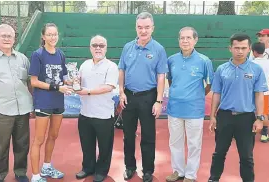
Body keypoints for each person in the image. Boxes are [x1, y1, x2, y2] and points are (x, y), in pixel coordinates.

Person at [208, 33, 268, 182]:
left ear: (249, 49)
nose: (239, 51)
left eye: (243, 48)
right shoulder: (222, 69)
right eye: (236, 48)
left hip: (246, 118)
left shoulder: (256, 70)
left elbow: (259, 95)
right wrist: (212, 116)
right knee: (219, 152)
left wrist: (260, 118)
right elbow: (216, 94)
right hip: (225, 116)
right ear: (230, 48)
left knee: (246, 156)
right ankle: (213, 179)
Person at [0, 24, 33, 182]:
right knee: (1, 146)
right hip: (1, 111)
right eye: (3, 35)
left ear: (14, 38)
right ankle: (0, 175)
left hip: (22, 109)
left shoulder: (23, 58)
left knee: (22, 144)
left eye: (10, 35)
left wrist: (32, 105)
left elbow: (29, 83)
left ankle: (20, 172)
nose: (7, 38)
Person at [118, 12, 168, 182]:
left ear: (153, 28)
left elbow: (161, 76)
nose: (143, 30)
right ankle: (129, 167)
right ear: (136, 28)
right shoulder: (127, 47)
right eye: (140, 27)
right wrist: (121, 92)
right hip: (129, 97)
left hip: (149, 97)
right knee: (128, 135)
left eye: (147, 27)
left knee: (148, 136)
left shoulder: (159, 49)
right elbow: (121, 70)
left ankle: (147, 170)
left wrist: (159, 100)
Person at [165, 27, 213, 182]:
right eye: (182, 38)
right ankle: (178, 171)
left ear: (195, 40)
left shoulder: (204, 61)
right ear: (178, 40)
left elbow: (209, 85)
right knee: (175, 142)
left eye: (188, 38)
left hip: (194, 110)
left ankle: (191, 175)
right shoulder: (171, 60)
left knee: (194, 144)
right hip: (174, 109)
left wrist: (196, 96)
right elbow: (171, 80)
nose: (185, 41)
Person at [29, 23, 73, 182]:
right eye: (49, 34)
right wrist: (57, 87)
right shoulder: (37, 54)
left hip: (58, 101)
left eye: (55, 34)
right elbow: (33, 81)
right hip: (43, 101)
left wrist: (71, 81)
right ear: (43, 36)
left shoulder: (60, 54)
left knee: (53, 136)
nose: (53, 37)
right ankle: (35, 176)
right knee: (39, 139)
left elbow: (65, 77)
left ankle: (47, 167)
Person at [74, 35, 119, 182]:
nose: (98, 48)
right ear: (90, 47)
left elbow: (108, 87)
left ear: (106, 48)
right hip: (85, 113)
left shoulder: (111, 66)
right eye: (95, 45)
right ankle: (88, 168)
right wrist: (72, 82)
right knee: (87, 144)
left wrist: (86, 91)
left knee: (105, 146)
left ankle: (101, 171)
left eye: (101, 45)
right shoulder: (84, 65)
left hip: (103, 114)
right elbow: (78, 81)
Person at [249, 28, 269, 142]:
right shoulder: (253, 60)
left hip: (263, 90)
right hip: (255, 90)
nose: (261, 37)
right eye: (259, 36)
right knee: (258, 111)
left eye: (263, 35)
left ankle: (264, 131)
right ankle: (255, 131)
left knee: (262, 111)